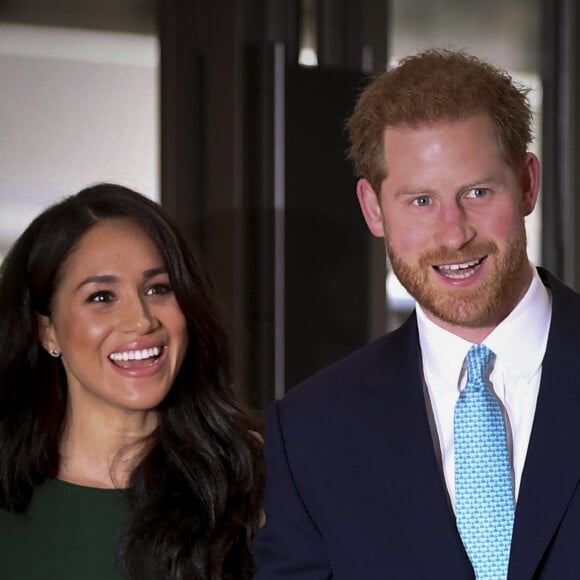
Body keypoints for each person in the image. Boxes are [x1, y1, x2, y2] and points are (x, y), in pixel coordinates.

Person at [253, 49, 580, 579]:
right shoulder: (310, 434)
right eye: (420, 201)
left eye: (477, 192)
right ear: (373, 208)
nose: (453, 234)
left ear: (527, 184)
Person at [0, 183, 264, 579]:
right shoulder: (8, 488)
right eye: (102, 297)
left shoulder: (252, 475)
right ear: (47, 330)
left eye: (158, 289)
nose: (141, 320)